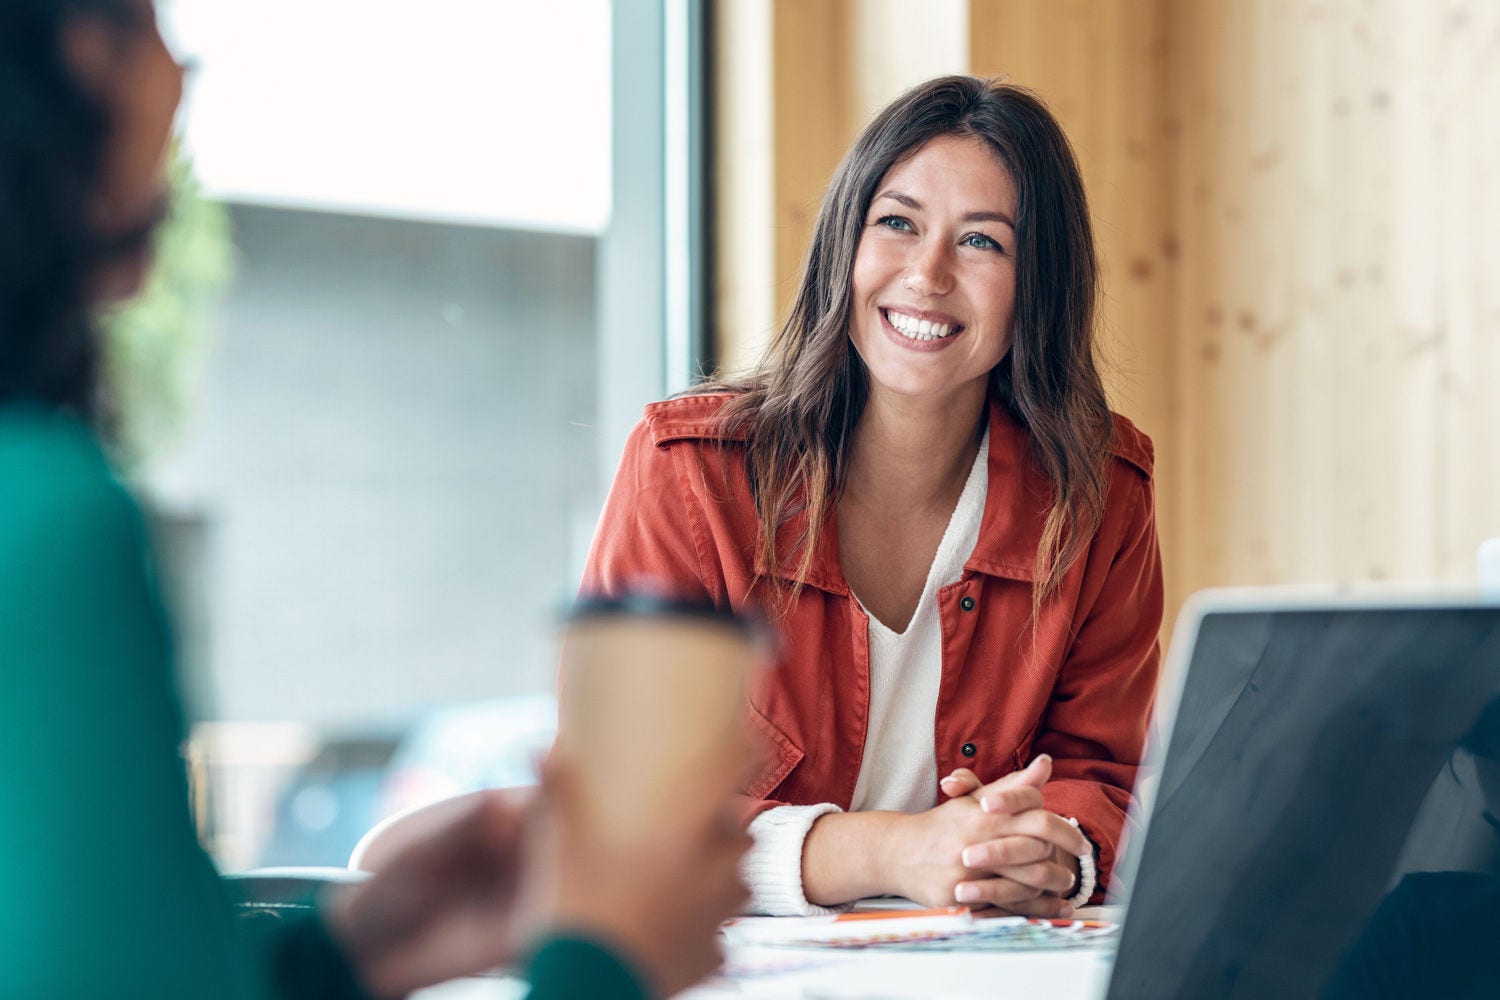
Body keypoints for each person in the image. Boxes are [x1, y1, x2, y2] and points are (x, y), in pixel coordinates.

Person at [0, 1, 746, 997]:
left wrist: (346, 952)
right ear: (58, 60)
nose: (182, 74)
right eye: (141, 23)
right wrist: (604, 957)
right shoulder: (45, 524)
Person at [583, 76, 1163, 917]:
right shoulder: (686, 474)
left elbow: (1102, 778)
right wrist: (893, 852)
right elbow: (616, 811)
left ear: (1036, 286)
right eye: (897, 223)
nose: (926, 274)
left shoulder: (1100, 493)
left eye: (983, 243)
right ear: (844, 244)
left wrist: (1049, 855)